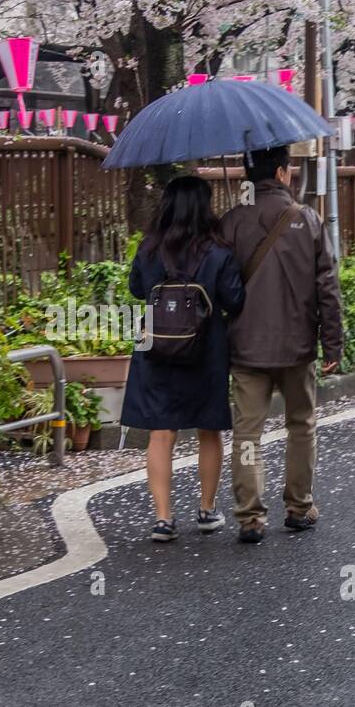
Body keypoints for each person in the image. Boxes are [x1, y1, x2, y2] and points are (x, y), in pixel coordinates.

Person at [221, 146, 343, 545]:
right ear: (281, 171)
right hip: (297, 345)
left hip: (246, 346)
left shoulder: (232, 221)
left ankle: (250, 516)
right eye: (290, 168)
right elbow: (327, 286)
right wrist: (333, 343)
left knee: (247, 432)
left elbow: (219, 285)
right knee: (301, 425)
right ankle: (299, 505)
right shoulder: (306, 218)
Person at [122, 175, 246, 543]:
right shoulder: (219, 252)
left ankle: (163, 518)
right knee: (209, 428)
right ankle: (207, 510)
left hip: (156, 346)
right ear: (205, 208)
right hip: (205, 349)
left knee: (161, 432)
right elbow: (235, 300)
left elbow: (136, 289)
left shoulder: (148, 249)